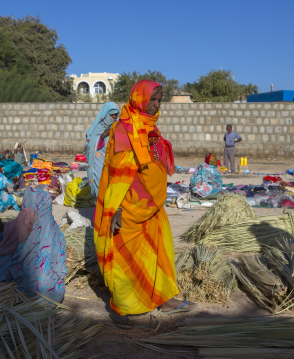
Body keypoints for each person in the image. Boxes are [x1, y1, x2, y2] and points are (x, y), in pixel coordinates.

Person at [94, 80, 197, 329]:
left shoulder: (151, 128)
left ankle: (164, 297)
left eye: (159, 100)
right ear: (139, 99)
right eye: (152, 100)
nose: (156, 105)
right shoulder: (124, 129)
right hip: (128, 207)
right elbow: (119, 172)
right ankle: (127, 309)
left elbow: (153, 163)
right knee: (127, 256)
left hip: (152, 206)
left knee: (160, 251)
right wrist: (117, 208)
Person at [0, 188, 67, 303]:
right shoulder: (56, 229)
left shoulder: (26, 220)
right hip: (53, 294)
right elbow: (14, 242)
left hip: (29, 293)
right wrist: (0, 226)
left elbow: (1, 246)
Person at [83, 102, 119, 197]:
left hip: (111, 162)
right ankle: (99, 210)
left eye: (115, 116)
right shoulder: (96, 129)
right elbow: (90, 146)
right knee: (100, 186)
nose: (113, 118)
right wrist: (103, 135)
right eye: (112, 116)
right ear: (105, 115)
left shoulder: (115, 127)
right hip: (98, 163)